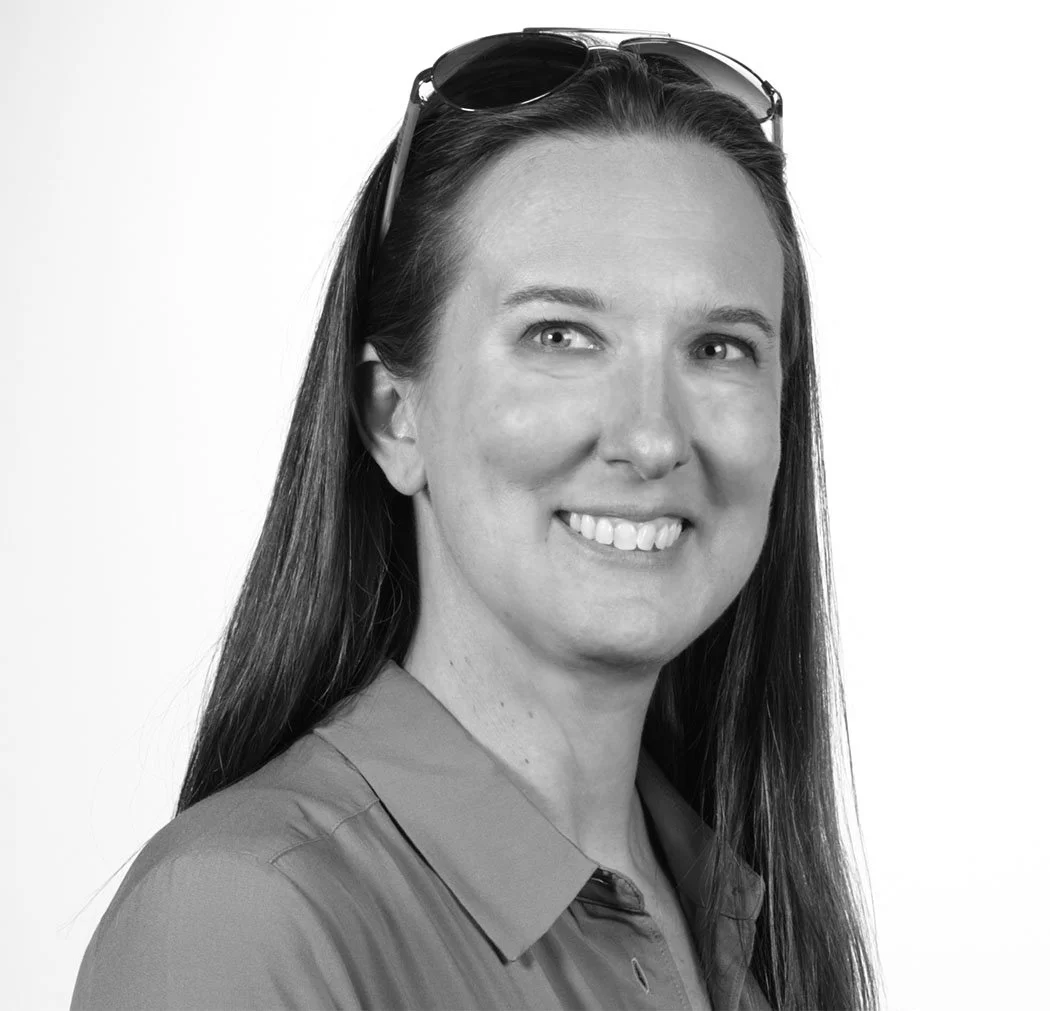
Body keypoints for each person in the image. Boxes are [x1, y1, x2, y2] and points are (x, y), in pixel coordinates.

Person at [71, 27, 880, 1010]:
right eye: (560, 335)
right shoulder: (237, 922)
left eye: (719, 348)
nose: (653, 438)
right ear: (392, 414)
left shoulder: (745, 925)